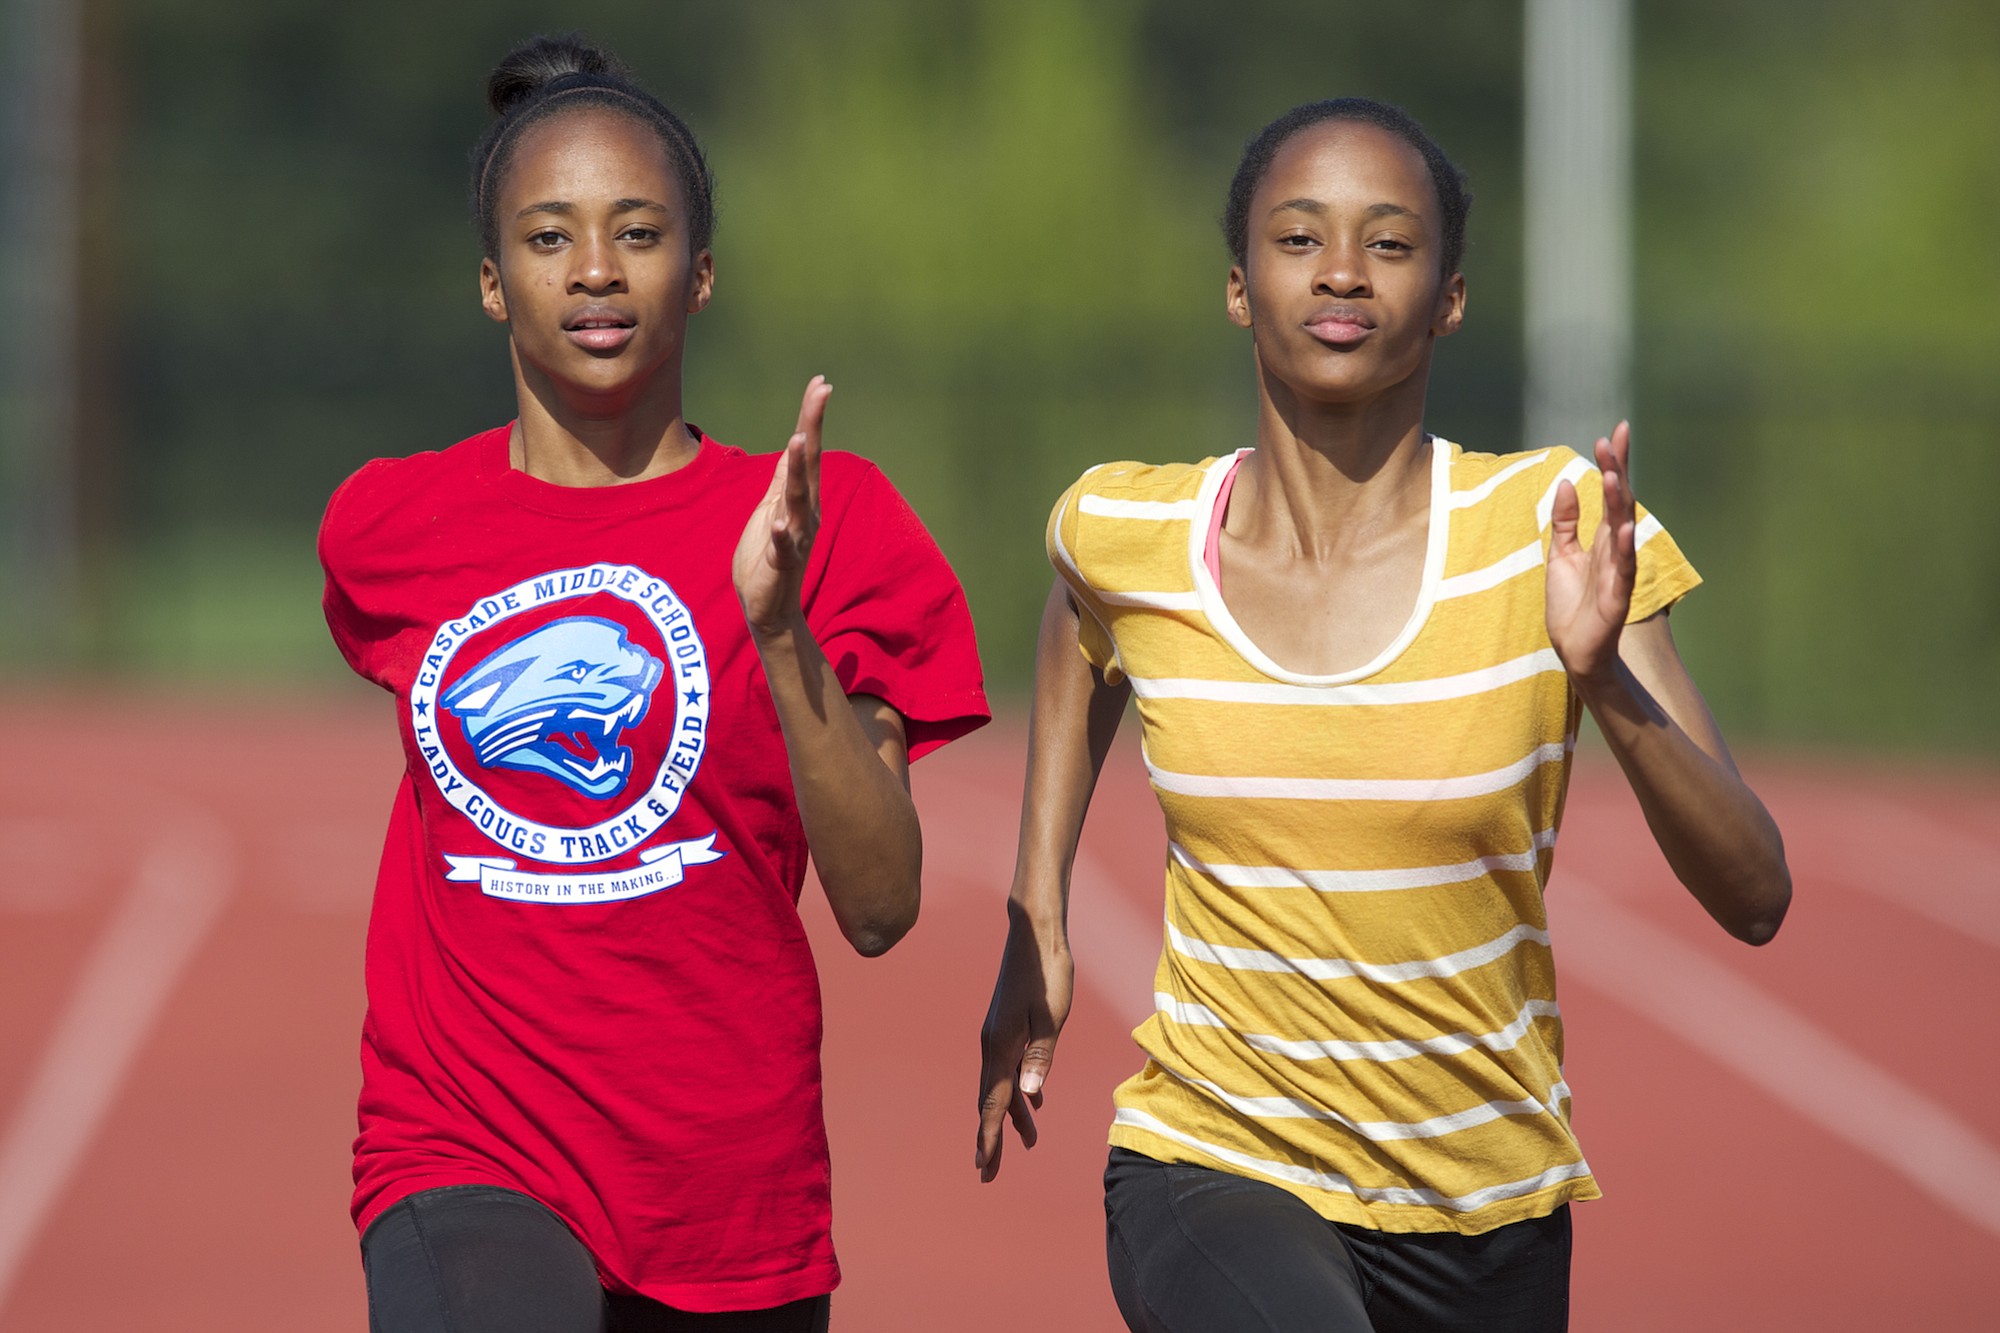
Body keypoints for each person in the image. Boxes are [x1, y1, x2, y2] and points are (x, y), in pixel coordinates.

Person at [974, 98, 1791, 1332]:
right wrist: (1035, 911)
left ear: (1450, 296)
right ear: (1239, 287)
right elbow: (1076, 635)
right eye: (1297, 239)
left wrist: (1601, 682)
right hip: (1215, 1154)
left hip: (1486, 1209)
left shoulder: (1553, 530)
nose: (1341, 272)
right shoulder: (1128, 535)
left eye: (1389, 244)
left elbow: (1755, 892)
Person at [319, 34, 988, 1332]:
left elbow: (880, 903)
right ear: (492, 283)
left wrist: (778, 628)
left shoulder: (823, 518)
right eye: (549, 237)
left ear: (702, 273)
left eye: (637, 232)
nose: (595, 271)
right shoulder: (388, 527)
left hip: (728, 1198)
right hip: (463, 1141)